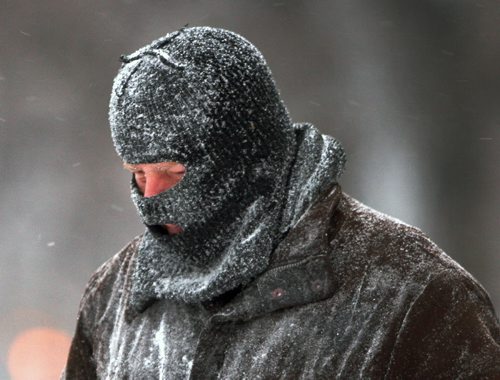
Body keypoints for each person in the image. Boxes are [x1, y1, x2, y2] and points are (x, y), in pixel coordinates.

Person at [63, 26, 500, 379]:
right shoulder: (114, 298)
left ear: (249, 159)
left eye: (175, 173)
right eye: (139, 175)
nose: (152, 199)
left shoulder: (410, 295)